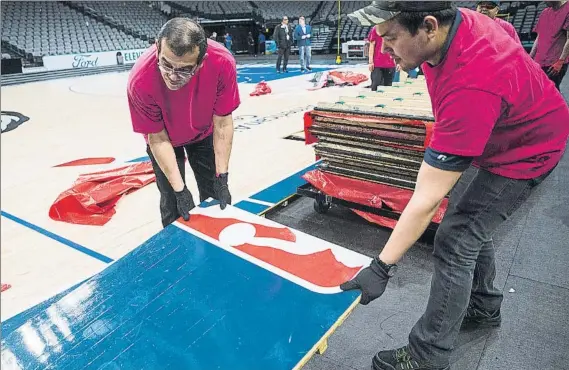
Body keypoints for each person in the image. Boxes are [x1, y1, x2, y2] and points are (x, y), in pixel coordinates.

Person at [344, 2, 569, 370]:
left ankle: (428, 355)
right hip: (502, 132)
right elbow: (509, 41)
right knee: (470, 221)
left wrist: (382, 267)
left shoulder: (471, 82)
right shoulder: (456, 22)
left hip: (528, 149)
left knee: (456, 239)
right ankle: (482, 305)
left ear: (429, 27)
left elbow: (426, 198)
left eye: (390, 38)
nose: (382, 48)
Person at [127, 18, 240, 228]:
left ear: (202, 60)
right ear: (157, 46)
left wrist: (222, 177)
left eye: (184, 69)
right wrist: (180, 190)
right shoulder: (140, 80)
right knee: (173, 205)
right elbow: (157, 138)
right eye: (166, 64)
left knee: (215, 196)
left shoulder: (222, 62)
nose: (172, 76)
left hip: (203, 132)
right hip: (165, 139)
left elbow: (223, 123)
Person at [530, 1, 569, 90]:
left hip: (554, 63)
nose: (544, 1)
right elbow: (538, 37)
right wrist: (530, 57)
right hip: (539, 62)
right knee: (540, 92)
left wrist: (560, 62)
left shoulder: (567, 9)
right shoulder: (545, 13)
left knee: (550, 92)